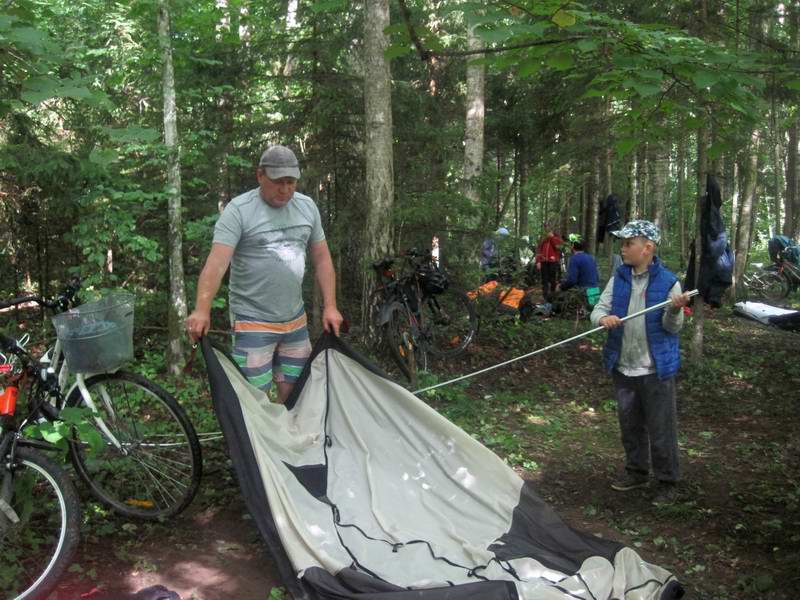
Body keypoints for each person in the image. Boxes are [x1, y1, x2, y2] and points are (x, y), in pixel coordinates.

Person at [185, 145, 343, 404]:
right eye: (278, 182)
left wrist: (331, 306)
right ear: (260, 176)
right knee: (253, 399)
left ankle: (286, 442)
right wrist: (202, 309)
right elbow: (216, 263)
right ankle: (256, 445)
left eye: (290, 182)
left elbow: (322, 258)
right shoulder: (239, 211)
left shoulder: (307, 208)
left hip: (295, 321)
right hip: (252, 321)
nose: (285, 189)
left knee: (295, 393)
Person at [590, 220, 691, 505]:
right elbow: (598, 309)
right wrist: (602, 319)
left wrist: (674, 310)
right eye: (622, 243)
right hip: (623, 366)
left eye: (627, 243)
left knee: (661, 429)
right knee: (630, 426)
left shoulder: (669, 282)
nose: (622, 249)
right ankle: (636, 472)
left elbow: (673, 328)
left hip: (655, 369)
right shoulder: (618, 277)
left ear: (647, 248)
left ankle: (668, 481)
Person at [535, 226, 563, 300]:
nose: (547, 229)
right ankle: (545, 296)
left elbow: (558, 247)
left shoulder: (557, 237)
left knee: (553, 279)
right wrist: (538, 261)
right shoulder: (543, 238)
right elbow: (539, 250)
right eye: (546, 228)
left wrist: (552, 237)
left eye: (548, 228)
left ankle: (553, 295)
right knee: (544, 280)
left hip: (553, 261)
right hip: (543, 261)